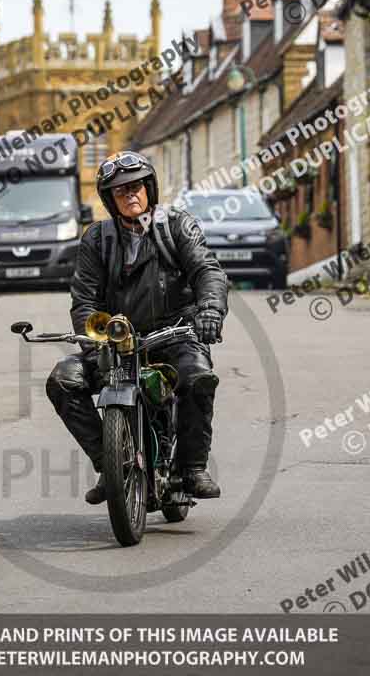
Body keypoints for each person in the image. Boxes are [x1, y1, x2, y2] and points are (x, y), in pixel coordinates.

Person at [46, 151, 228, 504]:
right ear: (109, 199)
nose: (130, 194)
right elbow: (84, 301)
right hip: (117, 341)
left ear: (149, 188)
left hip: (175, 334)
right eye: (120, 190)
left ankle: (192, 467)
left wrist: (209, 310)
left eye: (136, 186)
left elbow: (207, 270)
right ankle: (110, 464)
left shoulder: (176, 225)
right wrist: (97, 340)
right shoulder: (96, 239)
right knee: (63, 380)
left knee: (197, 378)